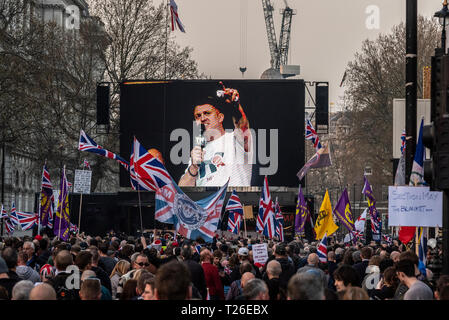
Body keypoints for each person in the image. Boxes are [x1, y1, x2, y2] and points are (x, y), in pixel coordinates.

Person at [179, 83, 253, 187]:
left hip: (231, 201)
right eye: (198, 116)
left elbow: (243, 126)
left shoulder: (234, 139)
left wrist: (236, 106)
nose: (203, 118)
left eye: (207, 113)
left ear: (220, 117)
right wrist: (194, 167)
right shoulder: (198, 151)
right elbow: (182, 190)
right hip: (207, 202)